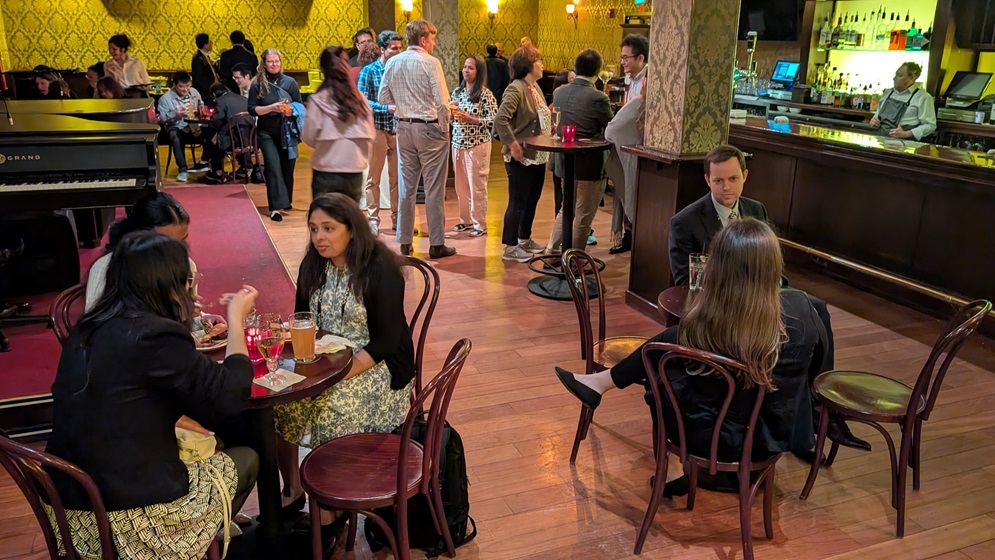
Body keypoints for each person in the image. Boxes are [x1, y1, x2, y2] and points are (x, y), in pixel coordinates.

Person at [554, 218, 829, 494]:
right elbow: (813, 375)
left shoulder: (708, 325)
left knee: (662, 368)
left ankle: (671, 470)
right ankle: (600, 383)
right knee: (668, 354)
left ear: (721, 268)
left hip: (718, 441)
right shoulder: (803, 313)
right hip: (775, 437)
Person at [46, 230, 259, 559]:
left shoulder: (86, 328)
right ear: (169, 283)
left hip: (69, 511)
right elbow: (229, 398)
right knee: (246, 457)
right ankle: (196, 545)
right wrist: (235, 321)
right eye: (188, 281)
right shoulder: (156, 335)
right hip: (132, 523)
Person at [668, 145, 870, 453]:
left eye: (733, 179)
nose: (727, 187)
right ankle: (798, 416)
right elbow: (685, 282)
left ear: (745, 176)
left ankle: (820, 407)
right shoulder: (687, 221)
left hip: (764, 298)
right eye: (719, 180)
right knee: (802, 322)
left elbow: (774, 268)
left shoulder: (756, 210)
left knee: (816, 310)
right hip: (723, 305)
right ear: (707, 179)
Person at [274, 193, 415, 518]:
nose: (319, 237)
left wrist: (335, 376)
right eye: (313, 229)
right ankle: (292, 488)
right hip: (325, 361)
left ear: (351, 229)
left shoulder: (380, 269)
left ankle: (332, 513)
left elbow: (386, 341)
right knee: (279, 404)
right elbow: (301, 318)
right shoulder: (314, 264)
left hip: (375, 367)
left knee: (331, 408)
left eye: (328, 228)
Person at [378, 19, 455, 259]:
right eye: (432, 39)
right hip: (429, 128)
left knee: (406, 187)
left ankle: (404, 242)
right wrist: (445, 127)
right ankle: (437, 244)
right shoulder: (431, 63)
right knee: (433, 188)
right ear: (423, 40)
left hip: (403, 127)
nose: (434, 43)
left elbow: (382, 97)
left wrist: (403, 102)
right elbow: (443, 102)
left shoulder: (393, 62)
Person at [545, 49, 613, 255]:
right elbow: (611, 126)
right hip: (589, 164)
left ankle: (551, 251)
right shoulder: (598, 97)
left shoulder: (559, 92)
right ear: (598, 71)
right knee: (583, 217)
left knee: (566, 210)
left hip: (565, 161)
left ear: (575, 68)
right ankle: (573, 261)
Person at [85, 192, 193, 310]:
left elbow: (185, 320)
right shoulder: (104, 268)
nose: (175, 252)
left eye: (181, 242)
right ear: (139, 236)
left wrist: (198, 320)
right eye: (165, 244)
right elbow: (95, 325)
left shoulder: (188, 265)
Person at [494, 44, 551, 263]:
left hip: (537, 154)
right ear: (528, 66)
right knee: (517, 201)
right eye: (539, 60)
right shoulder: (516, 88)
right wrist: (513, 144)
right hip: (520, 155)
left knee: (532, 199)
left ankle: (524, 238)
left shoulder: (534, 87)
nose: (542, 64)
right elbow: (501, 119)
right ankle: (510, 247)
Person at [301, 46, 376, 202]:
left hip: (326, 170)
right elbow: (371, 134)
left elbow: (308, 136)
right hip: (354, 170)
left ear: (323, 69)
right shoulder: (361, 101)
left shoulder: (319, 100)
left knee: (326, 221)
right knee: (349, 222)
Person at [248, 48, 302, 222]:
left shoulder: (290, 82)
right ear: (264, 63)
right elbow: (252, 109)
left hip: (287, 131)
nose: (274, 64)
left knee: (288, 166)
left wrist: (290, 111)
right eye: (270, 61)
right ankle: (275, 208)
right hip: (266, 132)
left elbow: (300, 106)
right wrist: (271, 108)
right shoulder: (257, 84)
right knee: (272, 167)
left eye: (277, 61)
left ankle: (285, 200)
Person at [607, 33, 650, 255]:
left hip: (638, 144)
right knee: (623, 187)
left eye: (626, 58)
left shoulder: (648, 80)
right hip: (627, 143)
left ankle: (634, 235)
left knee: (632, 188)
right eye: (622, 57)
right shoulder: (629, 80)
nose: (622, 62)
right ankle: (626, 234)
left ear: (640, 58)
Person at [358, 30, 403, 234]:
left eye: (400, 48)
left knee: (397, 179)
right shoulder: (369, 70)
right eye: (394, 48)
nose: (398, 51)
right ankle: (373, 219)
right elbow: (362, 101)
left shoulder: (401, 69)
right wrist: (387, 108)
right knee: (373, 178)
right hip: (377, 129)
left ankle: (397, 219)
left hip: (399, 130)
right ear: (383, 49)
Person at [450, 55, 497, 238]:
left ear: (479, 72)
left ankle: (480, 223)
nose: (466, 71)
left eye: (471, 68)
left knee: (477, 185)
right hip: (457, 143)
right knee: (461, 186)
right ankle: (466, 220)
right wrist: (452, 114)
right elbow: (452, 117)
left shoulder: (485, 94)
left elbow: (494, 119)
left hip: (477, 145)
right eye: (465, 67)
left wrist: (472, 119)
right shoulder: (457, 92)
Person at [157, 71, 211, 182]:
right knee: (175, 137)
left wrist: (199, 116)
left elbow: (201, 107)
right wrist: (175, 114)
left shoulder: (194, 92)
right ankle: (182, 170)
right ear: (174, 85)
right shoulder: (165, 99)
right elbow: (162, 120)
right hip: (177, 127)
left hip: (194, 125)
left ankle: (206, 162)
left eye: (187, 86)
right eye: (181, 86)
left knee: (213, 131)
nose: (185, 89)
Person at [869, 62, 936, 140]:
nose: (894, 78)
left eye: (899, 75)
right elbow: (877, 115)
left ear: (912, 78)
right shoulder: (887, 93)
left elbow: (930, 126)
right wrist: (874, 120)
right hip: (881, 141)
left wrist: (906, 134)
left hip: (905, 145)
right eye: (895, 75)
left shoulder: (923, 97)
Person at [206, 82, 251, 183]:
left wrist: (211, 119)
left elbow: (216, 121)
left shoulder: (221, 101)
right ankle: (247, 166)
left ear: (214, 95)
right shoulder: (243, 99)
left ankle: (217, 172)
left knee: (212, 140)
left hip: (233, 141)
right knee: (237, 133)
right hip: (250, 139)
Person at [549, 69, 575, 218]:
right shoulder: (554, 107)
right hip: (560, 153)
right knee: (561, 193)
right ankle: (561, 228)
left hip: (573, 151)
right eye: (572, 80)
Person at [191, 32, 219, 100]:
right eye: (209, 41)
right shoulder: (198, 58)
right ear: (205, 45)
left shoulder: (205, 57)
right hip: (204, 94)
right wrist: (210, 90)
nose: (211, 43)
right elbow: (200, 78)